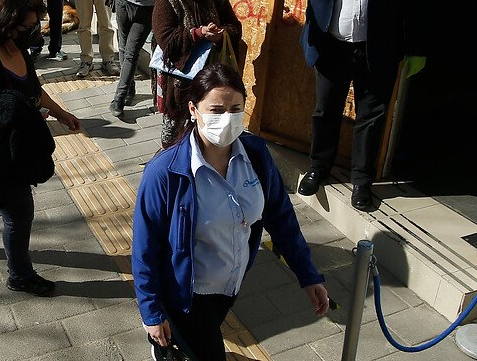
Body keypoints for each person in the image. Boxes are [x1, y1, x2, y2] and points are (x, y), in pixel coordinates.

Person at [212, 0, 428, 211]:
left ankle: (362, 182)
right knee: (325, 111)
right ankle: (319, 167)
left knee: (371, 117)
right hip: (331, 45)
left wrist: (416, 46)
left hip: (377, 48)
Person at [132, 63, 330, 361]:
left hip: (230, 286)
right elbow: (145, 249)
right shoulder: (165, 172)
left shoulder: (256, 155)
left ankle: (174, 348)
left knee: (200, 340)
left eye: (235, 109)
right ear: (193, 109)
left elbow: (282, 219)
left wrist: (308, 274)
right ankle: (168, 349)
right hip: (186, 295)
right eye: (216, 110)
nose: (227, 118)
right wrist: (151, 312)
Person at [0, 0, 81, 295]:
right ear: (7, 27)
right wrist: (23, 118)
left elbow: (33, 91)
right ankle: (20, 276)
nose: (36, 32)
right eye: (29, 27)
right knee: (19, 213)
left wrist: (61, 113)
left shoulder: (18, 50)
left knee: (1, 201)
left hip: (12, 147)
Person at [152, 0, 241, 147]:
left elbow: (235, 27)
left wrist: (221, 35)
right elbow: (166, 40)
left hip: (212, 78)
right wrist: (198, 33)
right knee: (174, 134)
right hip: (179, 83)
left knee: (208, 128)